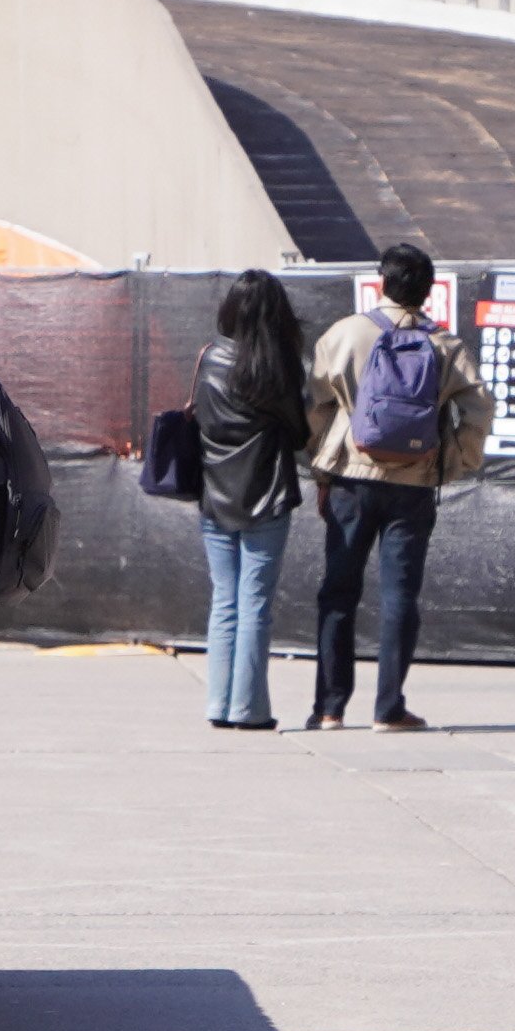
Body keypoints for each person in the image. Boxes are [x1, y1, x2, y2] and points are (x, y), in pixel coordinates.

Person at [302, 243, 490, 734]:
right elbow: (478, 408)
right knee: (400, 596)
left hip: (350, 480)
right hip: (415, 483)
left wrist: (322, 462)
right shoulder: (445, 345)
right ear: (428, 292)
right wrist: (456, 460)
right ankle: (388, 709)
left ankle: (329, 707)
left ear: (381, 283)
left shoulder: (344, 334)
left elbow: (316, 405)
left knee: (338, 592)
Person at [191, 269, 311, 730]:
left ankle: (218, 705)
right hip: (267, 494)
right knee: (254, 601)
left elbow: (201, 420)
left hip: (215, 494)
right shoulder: (278, 365)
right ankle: (249, 709)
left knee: (224, 600)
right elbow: (300, 435)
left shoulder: (208, 358)